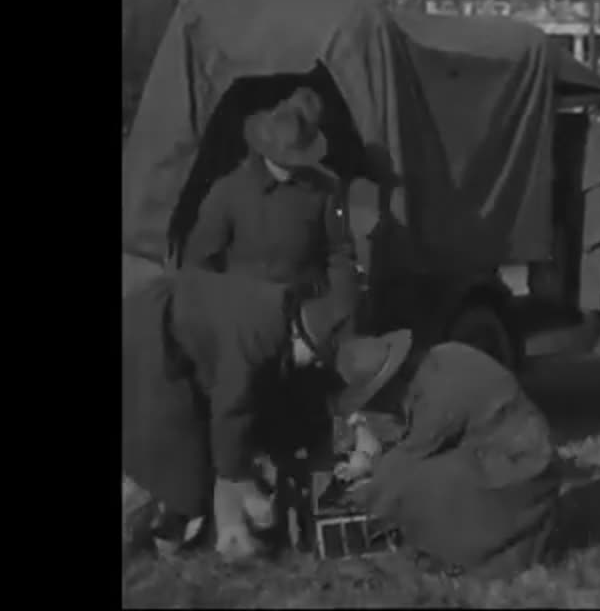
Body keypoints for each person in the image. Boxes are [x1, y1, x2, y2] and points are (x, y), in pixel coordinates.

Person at [122, 267, 348, 562]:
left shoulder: (275, 312)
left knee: (184, 462)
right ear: (299, 336)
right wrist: (238, 476)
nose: (314, 364)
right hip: (151, 340)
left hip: (166, 332)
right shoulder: (256, 337)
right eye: (316, 356)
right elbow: (232, 409)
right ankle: (149, 526)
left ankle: (173, 533)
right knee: (169, 460)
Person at [328, 337, 561, 579]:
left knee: (419, 484)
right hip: (515, 456)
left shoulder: (438, 395)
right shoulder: (439, 358)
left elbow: (404, 462)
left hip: (522, 471)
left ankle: (470, 552)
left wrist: (357, 497)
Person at [181, 86, 358, 315]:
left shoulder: (326, 189)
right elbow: (198, 262)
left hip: (306, 313)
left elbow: (340, 253)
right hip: (244, 314)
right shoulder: (229, 191)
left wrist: (341, 312)